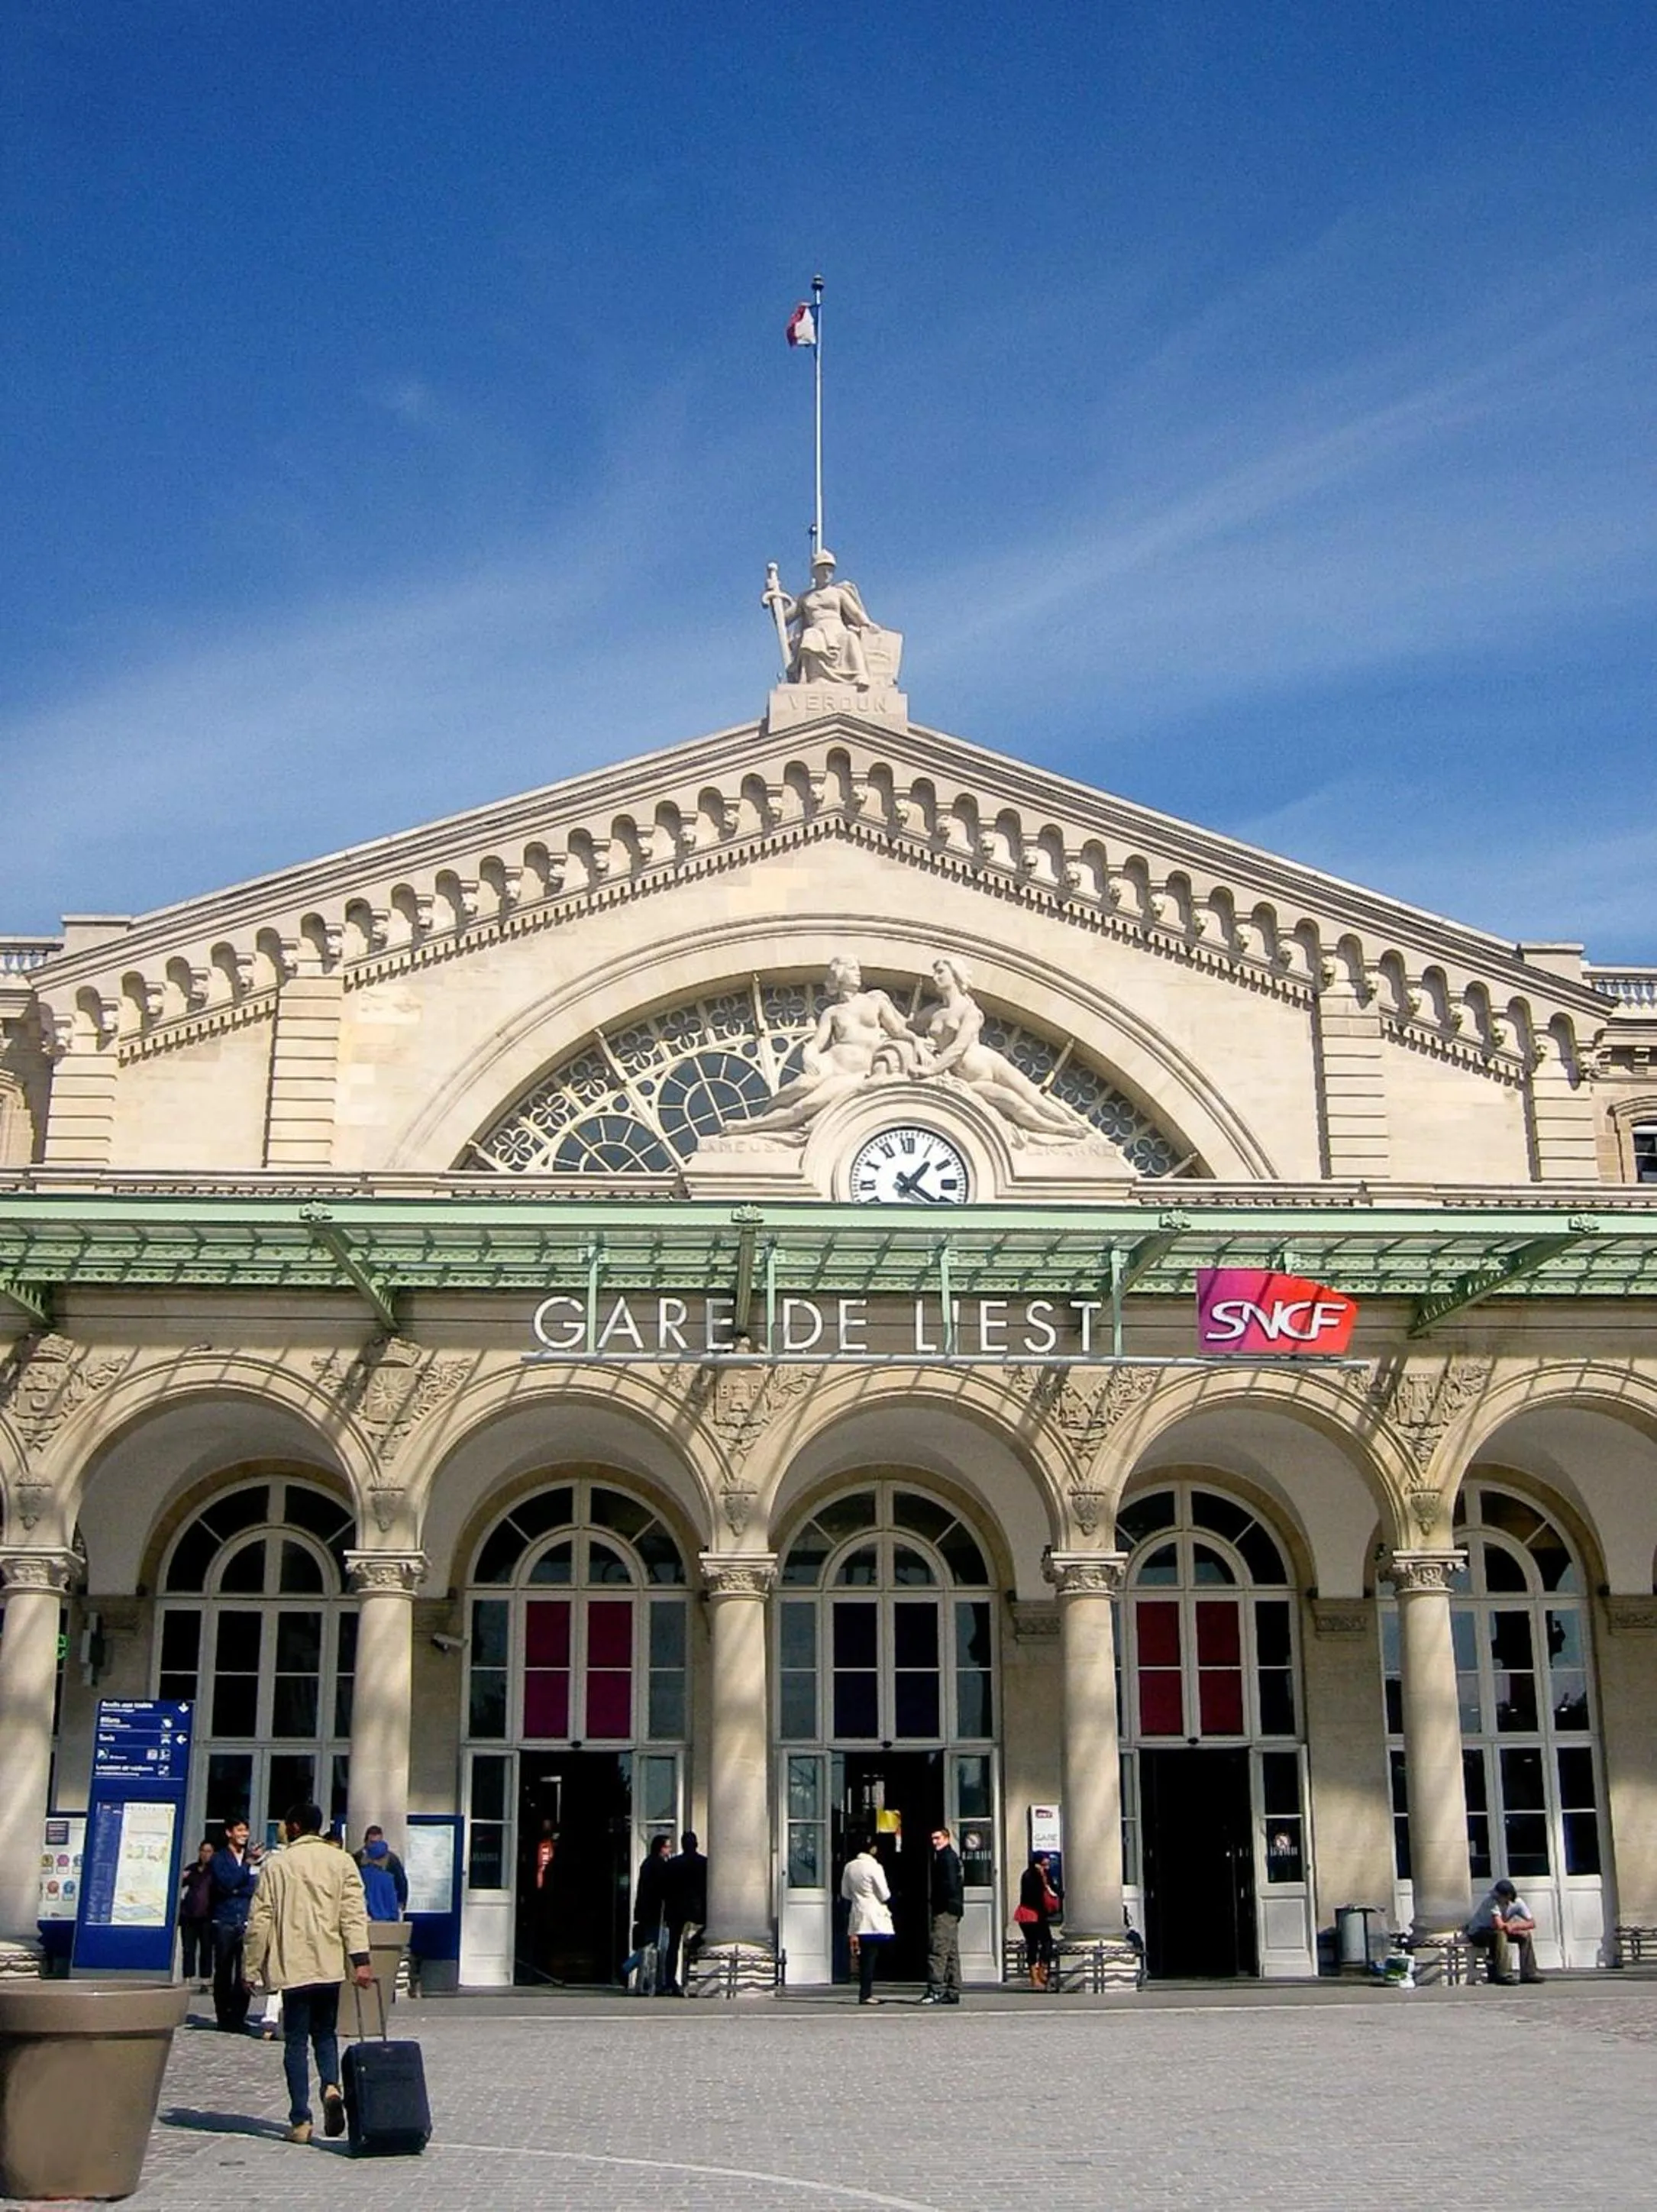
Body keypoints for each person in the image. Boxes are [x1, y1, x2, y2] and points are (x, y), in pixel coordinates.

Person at [244, 1800, 374, 2146]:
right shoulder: (342, 1862)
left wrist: (251, 1967)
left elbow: (260, 1920)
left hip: (293, 1965)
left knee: (296, 2041)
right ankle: (331, 2085)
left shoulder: (277, 1865)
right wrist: (360, 1960)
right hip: (329, 1963)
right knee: (326, 2034)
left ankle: (301, 2119)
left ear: (295, 1827)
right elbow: (353, 1915)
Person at [740, 957, 919, 1135]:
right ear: (839, 975)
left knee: (807, 1105)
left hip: (858, 1072)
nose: (858, 973)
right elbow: (816, 1043)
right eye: (852, 969)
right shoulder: (832, 1012)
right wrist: (808, 1057)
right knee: (802, 1085)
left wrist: (918, 1046)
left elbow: (898, 1031)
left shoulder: (874, 1002)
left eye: (857, 969)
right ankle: (763, 1114)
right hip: (832, 1065)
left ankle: (754, 1126)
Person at [911, 959, 1087, 1138]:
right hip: (969, 1078)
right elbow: (906, 1028)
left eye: (940, 972)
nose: (935, 977)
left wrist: (932, 1069)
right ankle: (1061, 1130)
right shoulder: (933, 1012)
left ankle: (1069, 1124)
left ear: (955, 975)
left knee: (1033, 1097)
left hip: (988, 1061)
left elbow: (959, 1046)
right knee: (1013, 1103)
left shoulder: (970, 1011)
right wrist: (915, 1041)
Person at [770, 550, 877, 687]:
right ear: (814, 572)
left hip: (837, 630)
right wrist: (775, 602)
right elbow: (783, 620)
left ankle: (859, 675)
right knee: (810, 636)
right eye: (822, 570)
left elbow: (855, 613)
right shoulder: (805, 597)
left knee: (850, 638)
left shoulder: (839, 593)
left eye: (830, 570)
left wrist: (867, 624)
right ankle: (816, 677)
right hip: (817, 629)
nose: (826, 573)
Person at [208, 1816, 262, 2032]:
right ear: (229, 1833)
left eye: (246, 1830)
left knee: (244, 1971)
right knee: (223, 1970)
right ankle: (224, 2017)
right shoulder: (219, 1858)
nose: (244, 1834)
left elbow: (254, 1887)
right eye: (239, 1830)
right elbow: (226, 1884)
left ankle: (239, 2017)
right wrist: (246, 1867)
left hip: (246, 1919)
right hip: (225, 1920)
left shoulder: (254, 1859)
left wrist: (239, 1885)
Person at [840, 1836, 895, 2007]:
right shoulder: (874, 1867)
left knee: (864, 1955)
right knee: (871, 1955)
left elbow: (845, 1893)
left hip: (858, 1913)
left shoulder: (849, 1867)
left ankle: (864, 1991)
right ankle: (866, 1994)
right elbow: (885, 1894)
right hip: (874, 1915)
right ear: (873, 1849)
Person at [919, 1825, 964, 2007]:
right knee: (951, 1951)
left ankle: (935, 1989)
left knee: (938, 1950)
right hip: (953, 1909)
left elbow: (950, 1885)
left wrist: (940, 1903)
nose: (935, 1842)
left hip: (945, 1910)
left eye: (938, 1838)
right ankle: (953, 1990)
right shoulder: (950, 1857)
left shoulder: (946, 1858)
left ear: (946, 1838)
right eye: (933, 1839)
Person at [620, 1834, 673, 1991]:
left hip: (647, 1912)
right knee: (658, 1946)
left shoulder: (648, 1863)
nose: (669, 1850)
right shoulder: (659, 1865)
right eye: (667, 1847)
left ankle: (637, 1973)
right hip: (656, 1913)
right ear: (660, 1848)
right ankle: (652, 1979)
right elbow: (662, 1889)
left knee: (650, 1945)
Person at [1466, 1878, 1543, 1984]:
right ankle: (1504, 1974)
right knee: (1500, 1935)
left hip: (1496, 1931)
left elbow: (1532, 1923)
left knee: (1525, 1936)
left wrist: (1514, 1926)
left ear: (1508, 1896)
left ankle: (1529, 1973)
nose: (1496, 1897)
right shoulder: (1491, 1902)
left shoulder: (1518, 1902)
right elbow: (1499, 1925)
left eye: (1499, 1895)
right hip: (1478, 1932)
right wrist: (1510, 1927)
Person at [661, 1829, 707, 1997]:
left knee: (673, 1946)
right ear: (696, 1844)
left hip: (676, 1908)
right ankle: (693, 1945)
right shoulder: (704, 1863)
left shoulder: (673, 1864)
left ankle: (670, 1980)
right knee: (711, 1927)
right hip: (697, 1908)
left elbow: (665, 1888)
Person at [1015, 1851, 1061, 1990]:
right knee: (1033, 1944)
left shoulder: (1046, 1875)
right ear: (1036, 1864)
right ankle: (1034, 1977)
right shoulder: (1029, 1876)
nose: (1046, 1868)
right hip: (1029, 1915)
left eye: (1047, 1865)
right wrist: (1042, 1883)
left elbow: (1055, 1890)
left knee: (1047, 1942)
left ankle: (1042, 1970)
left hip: (1041, 1915)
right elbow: (1032, 1896)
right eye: (1043, 1865)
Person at [177, 1839, 215, 1990]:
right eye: (203, 1851)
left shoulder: (215, 1871)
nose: (206, 1854)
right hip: (189, 1915)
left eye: (209, 1851)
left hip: (207, 1916)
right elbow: (179, 1886)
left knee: (206, 1948)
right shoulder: (192, 1869)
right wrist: (182, 1878)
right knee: (188, 1948)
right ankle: (188, 1977)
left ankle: (205, 1979)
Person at [356, 1825, 409, 1914]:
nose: (375, 1846)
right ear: (366, 1842)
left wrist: (401, 1902)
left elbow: (401, 1882)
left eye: (377, 1843)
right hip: (367, 1907)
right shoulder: (358, 1858)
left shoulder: (392, 1860)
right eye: (372, 1843)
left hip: (385, 1906)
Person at [360, 1836, 402, 1922]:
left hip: (364, 1920)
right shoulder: (388, 1878)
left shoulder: (359, 1875)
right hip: (386, 1922)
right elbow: (392, 1906)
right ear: (385, 1858)